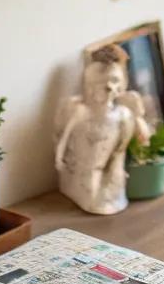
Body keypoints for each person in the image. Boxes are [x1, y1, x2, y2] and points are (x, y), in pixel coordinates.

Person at [54, 44, 151, 215]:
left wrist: (137, 117)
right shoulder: (80, 111)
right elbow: (65, 135)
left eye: (114, 82)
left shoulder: (123, 114)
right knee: (91, 187)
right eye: (99, 83)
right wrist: (60, 156)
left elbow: (135, 141)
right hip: (87, 169)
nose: (107, 88)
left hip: (111, 167)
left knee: (109, 184)